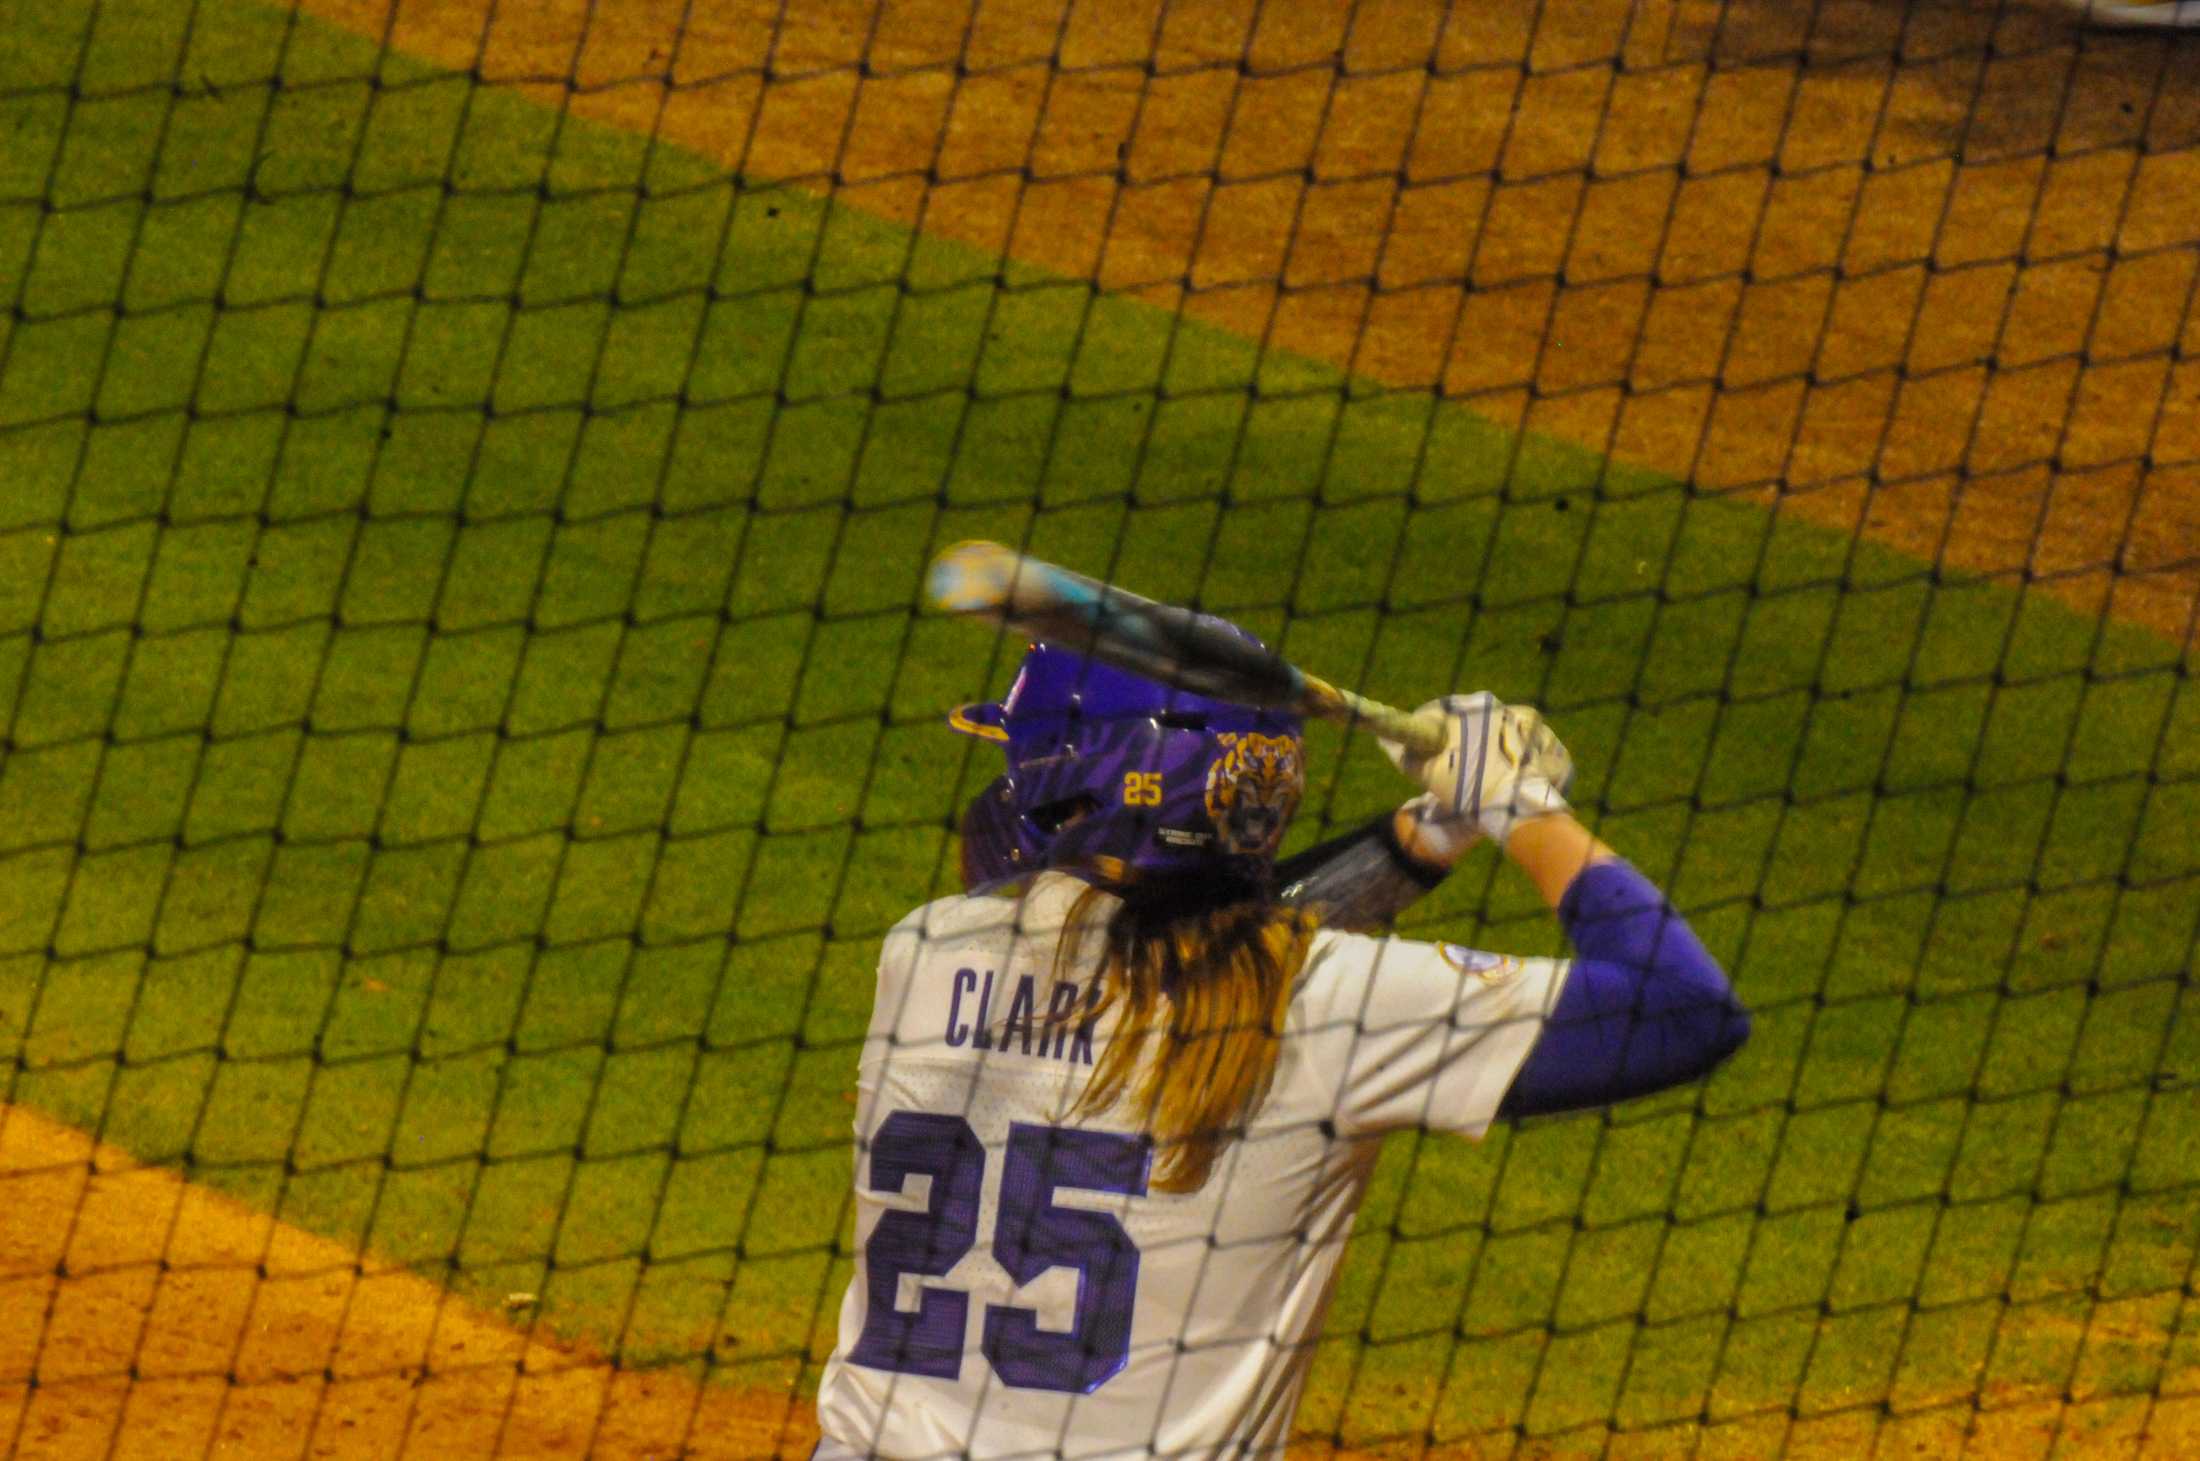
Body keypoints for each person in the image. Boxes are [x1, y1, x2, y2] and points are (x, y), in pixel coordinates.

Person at [812, 629, 1750, 1459]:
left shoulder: (927, 949)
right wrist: (1518, 804)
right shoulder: (1330, 1008)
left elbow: (1194, 951)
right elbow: (1680, 1007)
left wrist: (1430, 834)